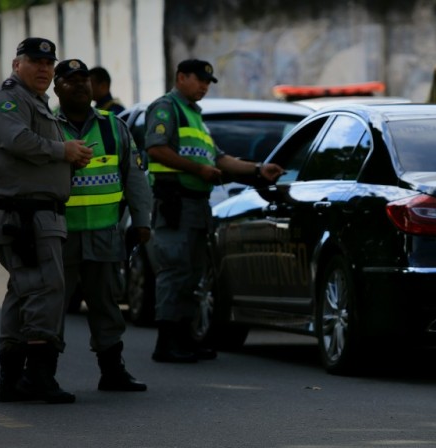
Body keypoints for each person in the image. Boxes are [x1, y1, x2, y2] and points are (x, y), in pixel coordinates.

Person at [0, 37, 94, 404]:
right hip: (24, 215)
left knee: (24, 293)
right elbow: (16, 141)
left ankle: (12, 381)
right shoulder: (8, 99)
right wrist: (64, 150)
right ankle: (39, 377)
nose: (44, 68)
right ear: (16, 65)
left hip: (37, 213)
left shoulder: (36, 102)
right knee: (46, 292)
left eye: (48, 63)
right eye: (35, 61)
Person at [144, 59, 284, 363]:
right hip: (174, 203)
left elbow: (220, 160)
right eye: (200, 80)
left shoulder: (195, 116)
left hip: (195, 205)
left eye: (209, 82)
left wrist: (259, 170)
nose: (205, 87)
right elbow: (156, 148)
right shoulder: (167, 108)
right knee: (175, 272)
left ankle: (184, 338)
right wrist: (199, 169)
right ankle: (167, 342)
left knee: (192, 275)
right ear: (181, 77)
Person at [53, 58, 151, 392]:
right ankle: (42, 373)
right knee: (50, 305)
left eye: (84, 80)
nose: (80, 85)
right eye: (70, 80)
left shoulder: (113, 126)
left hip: (104, 233)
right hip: (58, 235)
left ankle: (112, 370)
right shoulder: (46, 127)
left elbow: (134, 178)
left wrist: (141, 221)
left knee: (107, 304)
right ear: (56, 88)